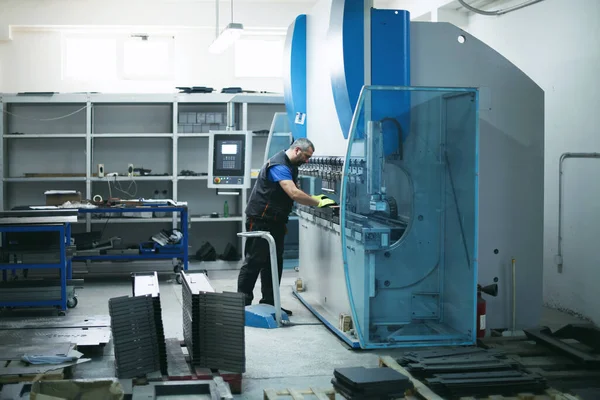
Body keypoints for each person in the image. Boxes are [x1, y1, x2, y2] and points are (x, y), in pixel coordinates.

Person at [237, 138, 336, 315]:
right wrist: (317, 202)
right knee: (253, 261)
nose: (307, 161)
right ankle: (241, 305)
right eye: (306, 156)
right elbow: (293, 193)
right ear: (297, 150)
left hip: (276, 220)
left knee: (273, 263)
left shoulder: (291, 166)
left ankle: (270, 303)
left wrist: (314, 199)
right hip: (260, 219)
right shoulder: (279, 165)